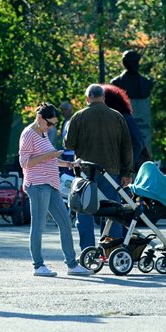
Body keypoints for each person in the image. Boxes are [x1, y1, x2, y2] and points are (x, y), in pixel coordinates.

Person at [19, 102, 92, 277]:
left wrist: (68, 163)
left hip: (51, 185)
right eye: (49, 123)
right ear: (39, 118)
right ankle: (38, 266)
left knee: (65, 222)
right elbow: (25, 163)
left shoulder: (44, 133)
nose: (52, 127)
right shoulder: (29, 134)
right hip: (37, 185)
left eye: (54, 124)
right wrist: (49, 156)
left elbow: (49, 160)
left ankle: (72, 265)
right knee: (38, 225)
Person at [64, 84, 134, 250]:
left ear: (87, 98)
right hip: (112, 172)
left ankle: (88, 251)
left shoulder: (78, 117)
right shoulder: (117, 117)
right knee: (113, 212)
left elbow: (69, 144)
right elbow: (127, 147)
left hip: (86, 173)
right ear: (103, 97)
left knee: (84, 212)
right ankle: (112, 249)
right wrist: (127, 172)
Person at [111, 50, 154, 151]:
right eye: (133, 62)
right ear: (126, 64)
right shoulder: (116, 83)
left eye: (137, 62)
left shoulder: (146, 83)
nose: (136, 65)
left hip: (143, 123)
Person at [102, 84, 144, 170]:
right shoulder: (111, 118)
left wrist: (126, 167)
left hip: (122, 171)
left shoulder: (125, 118)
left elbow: (137, 143)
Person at [58, 101, 74, 175]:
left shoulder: (74, 121)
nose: (63, 112)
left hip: (72, 154)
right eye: (61, 110)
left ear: (70, 110)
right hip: (65, 154)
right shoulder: (64, 122)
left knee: (67, 176)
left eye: (64, 109)